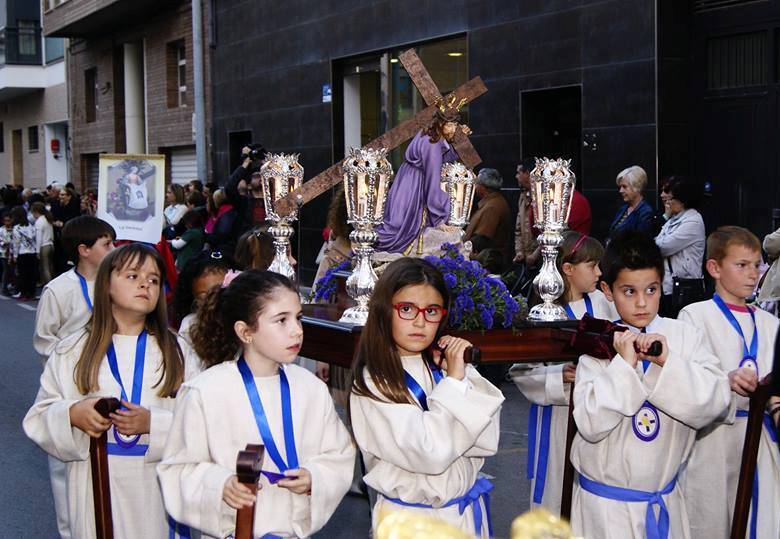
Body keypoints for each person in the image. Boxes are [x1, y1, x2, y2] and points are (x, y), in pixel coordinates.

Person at [158, 270, 355, 538]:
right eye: (281, 320)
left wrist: (315, 477)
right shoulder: (205, 391)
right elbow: (178, 468)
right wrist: (220, 484)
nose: (297, 331)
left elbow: (339, 454)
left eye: (298, 318)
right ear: (245, 331)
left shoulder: (311, 389)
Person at [23, 243, 198, 538]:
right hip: (95, 483)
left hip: (155, 488)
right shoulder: (74, 350)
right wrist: (72, 414)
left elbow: (202, 419)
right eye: (132, 276)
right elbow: (38, 416)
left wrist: (154, 424)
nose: (145, 283)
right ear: (106, 285)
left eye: (154, 279)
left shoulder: (178, 351)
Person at [569, 232, 730, 539]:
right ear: (607, 290)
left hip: (662, 498)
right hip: (605, 510)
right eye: (628, 291)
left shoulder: (685, 337)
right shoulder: (600, 345)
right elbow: (590, 423)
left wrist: (668, 363)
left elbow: (717, 401)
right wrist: (624, 366)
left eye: (651, 290)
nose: (642, 302)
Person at [349, 257, 504, 537]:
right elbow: (430, 453)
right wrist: (455, 383)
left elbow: (487, 439)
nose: (420, 322)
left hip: (462, 513)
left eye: (431, 311)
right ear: (384, 311)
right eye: (407, 309)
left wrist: (464, 375)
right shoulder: (375, 381)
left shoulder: (441, 367)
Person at [678, 226, 780, 539]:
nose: (753, 274)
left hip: (761, 439)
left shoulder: (770, 323)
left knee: (760, 520)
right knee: (711, 519)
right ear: (715, 268)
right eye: (742, 265)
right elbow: (689, 377)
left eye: (757, 265)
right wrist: (726, 380)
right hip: (713, 439)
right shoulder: (694, 316)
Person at [510, 231, 617, 516]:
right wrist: (558, 376)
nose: (599, 272)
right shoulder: (545, 311)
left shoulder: (605, 303)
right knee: (558, 493)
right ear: (568, 270)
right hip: (557, 417)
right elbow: (520, 369)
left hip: (599, 409)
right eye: (592, 266)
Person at [375, 104, 471, 254]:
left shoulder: (427, 135)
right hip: (413, 187)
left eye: (455, 125)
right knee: (399, 228)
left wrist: (459, 139)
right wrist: (439, 218)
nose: (454, 129)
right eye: (450, 125)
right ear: (440, 123)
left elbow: (441, 159)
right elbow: (432, 181)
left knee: (396, 223)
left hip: (406, 181)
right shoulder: (433, 144)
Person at [654, 176, 706, 317]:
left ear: (682, 200)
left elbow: (662, 247)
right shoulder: (673, 219)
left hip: (684, 287)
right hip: (669, 286)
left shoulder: (693, 221)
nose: (668, 202)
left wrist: (654, 242)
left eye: (671, 198)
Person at [172, 251, 238, 347]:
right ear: (193, 300)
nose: (214, 301)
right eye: (204, 297)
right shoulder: (190, 326)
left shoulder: (246, 321)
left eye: (221, 291)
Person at [464, 168, 512, 267]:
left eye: (476, 184)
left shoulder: (493, 206)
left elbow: (482, 238)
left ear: (483, 188)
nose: (475, 187)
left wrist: (461, 248)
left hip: (489, 262)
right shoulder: (490, 202)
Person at [225, 144, 268, 232]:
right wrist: (246, 162)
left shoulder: (272, 201)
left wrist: (266, 163)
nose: (261, 178)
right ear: (249, 185)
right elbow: (229, 188)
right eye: (256, 176)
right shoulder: (243, 202)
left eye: (263, 176)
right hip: (249, 241)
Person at [607, 165, 655, 241]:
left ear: (637, 187)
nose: (620, 191)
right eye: (620, 187)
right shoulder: (623, 209)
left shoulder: (646, 212)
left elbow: (640, 242)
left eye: (624, 187)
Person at [514, 159, 539, 267]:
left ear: (527, 173)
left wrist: (535, 255)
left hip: (539, 258)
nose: (516, 176)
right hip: (526, 258)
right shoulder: (523, 197)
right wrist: (519, 251)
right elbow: (519, 229)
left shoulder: (542, 197)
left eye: (518, 173)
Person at [11, 206, 38, 300]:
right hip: (32, 252)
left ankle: (23, 293)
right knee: (31, 274)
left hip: (22, 253)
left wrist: (14, 255)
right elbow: (35, 238)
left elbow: (16, 242)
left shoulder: (16, 228)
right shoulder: (31, 226)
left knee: (23, 274)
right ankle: (31, 293)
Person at [205, 189, 240, 258]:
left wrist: (208, 240)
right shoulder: (225, 212)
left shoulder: (227, 214)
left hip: (223, 249)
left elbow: (221, 233)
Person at [31, 201, 55, 285]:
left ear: (35, 212)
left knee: (45, 267)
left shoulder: (39, 222)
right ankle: (50, 282)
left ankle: (48, 284)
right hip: (51, 244)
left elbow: (39, 238)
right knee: (50, 266)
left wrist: (37, 251)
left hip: (44, 246)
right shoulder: (48, 219)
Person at [0, 211, 13, 295]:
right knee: (6, 270)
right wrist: (5, 243)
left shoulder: (14, 229)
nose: (7, 222)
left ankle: (11, 285)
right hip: (4, 253)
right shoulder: (1, 230)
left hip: (12, 252)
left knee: (12, 271)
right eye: (5, 221)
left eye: (9, 220)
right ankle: (4, 288)